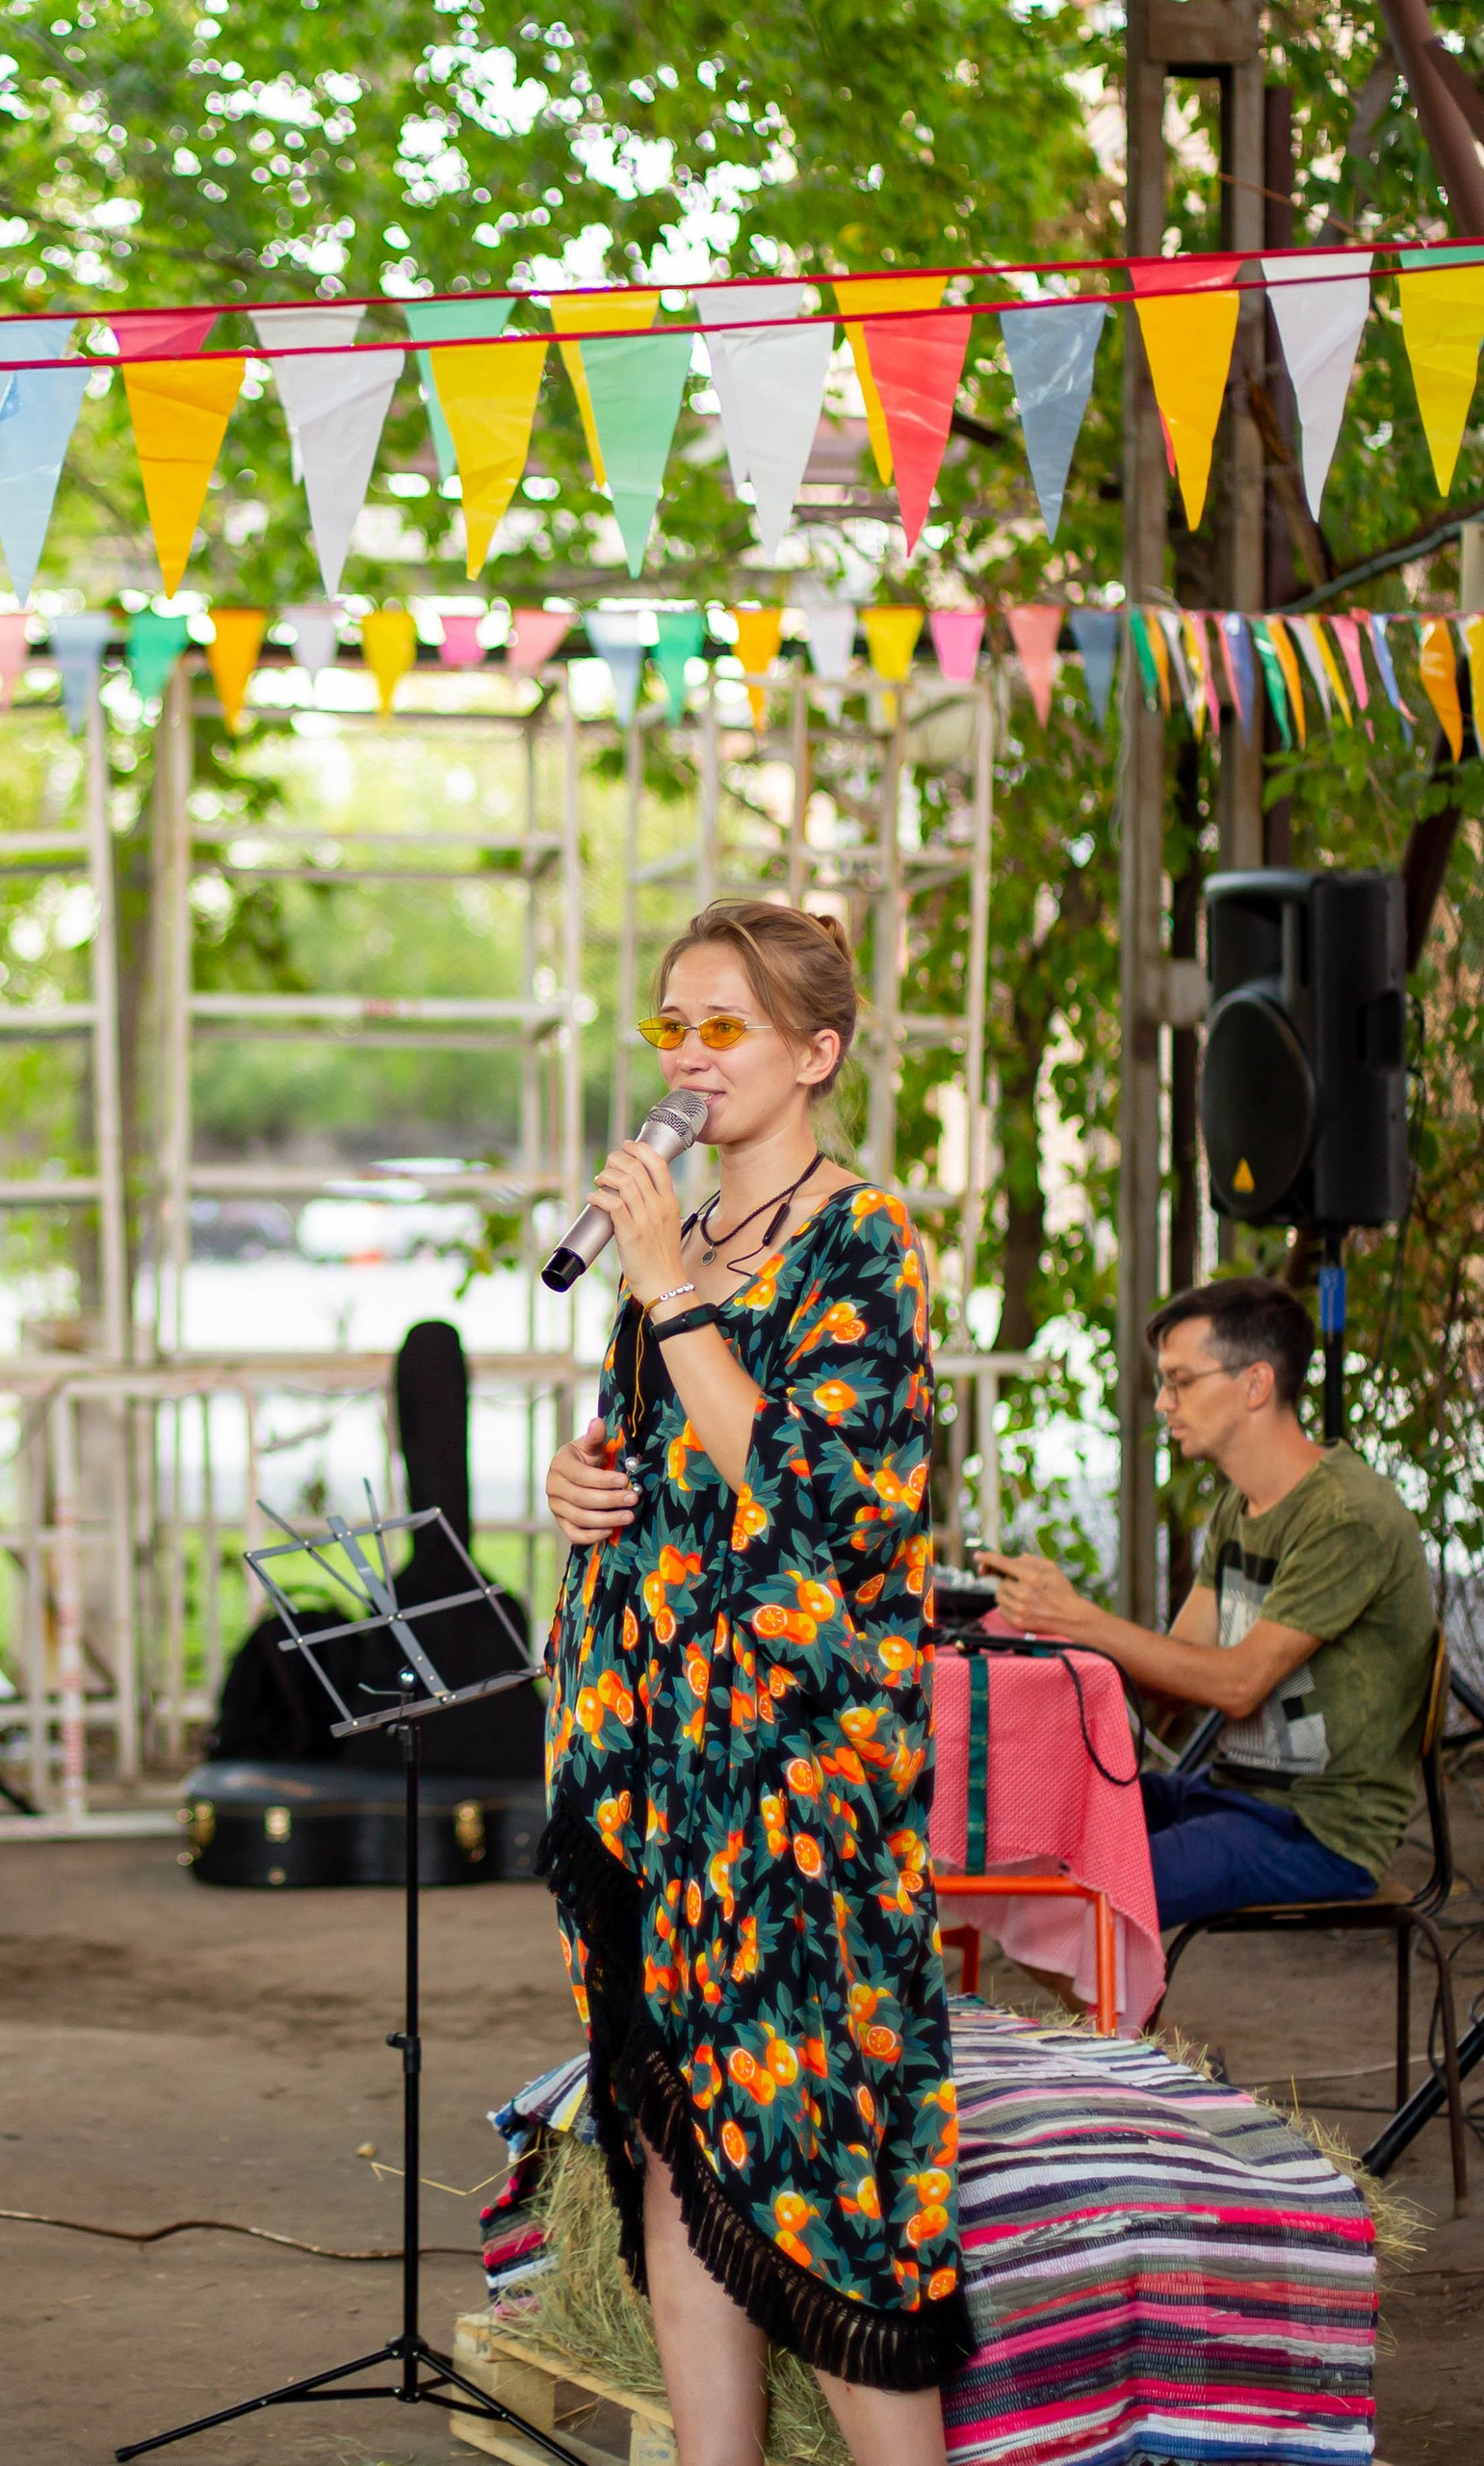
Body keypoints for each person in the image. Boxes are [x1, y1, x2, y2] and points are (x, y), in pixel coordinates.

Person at [540, 900, 967, 2466]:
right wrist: (584, 1489)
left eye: (724, 1027)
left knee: (827, 2169)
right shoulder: (683, 1251)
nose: (689, 1056)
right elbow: (667, 1462)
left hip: (796, 1787)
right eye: (671, 1025)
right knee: (680, 2157)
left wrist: (668, 1290)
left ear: (816, 1051)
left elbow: (816, 1495)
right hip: (659, 1780)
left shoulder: (863, 1239)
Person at [978, 1276, 1435, 1931]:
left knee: (1080, 1904)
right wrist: (1024, 1636)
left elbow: (1238, 1685)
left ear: (1255, 1384)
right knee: (1031, 1830)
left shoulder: (1347, 1514)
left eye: (1181, 1380)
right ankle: (1109, 2028)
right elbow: (1180, 1679)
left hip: (1320, 1831)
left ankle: (1116, 2036)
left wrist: (1078, 1618)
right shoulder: (1237, 1503)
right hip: (1231, 1799)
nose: (1163, 1401)